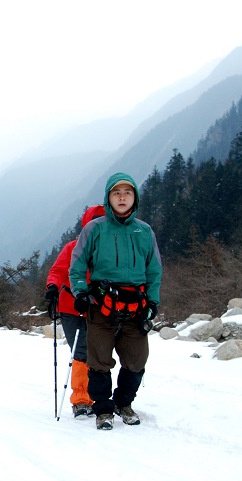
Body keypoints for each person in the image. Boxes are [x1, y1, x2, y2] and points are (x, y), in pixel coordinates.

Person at [68, 173, 163, 431]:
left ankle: (123, 403)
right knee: (99, 361)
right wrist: (80, 293)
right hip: (101, 307)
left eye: (127, 193)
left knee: (136, 360)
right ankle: (103, 410)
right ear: (108, 198)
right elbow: (76, 266)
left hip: (136, 308)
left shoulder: (144, 231)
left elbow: (154, 270)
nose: (122, 198)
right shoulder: (95, 229)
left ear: (135, 198)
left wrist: (152, 303)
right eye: (116, 193)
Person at [45, 205, 106, 418]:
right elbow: (58, 271)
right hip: (71, 308)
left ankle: (98, 396)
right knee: (81, 352)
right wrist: (52, 287)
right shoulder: (72, 248)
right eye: (94, 222)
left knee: (98, 352)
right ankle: (81, 398)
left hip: (99, 308)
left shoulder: (110, 250)